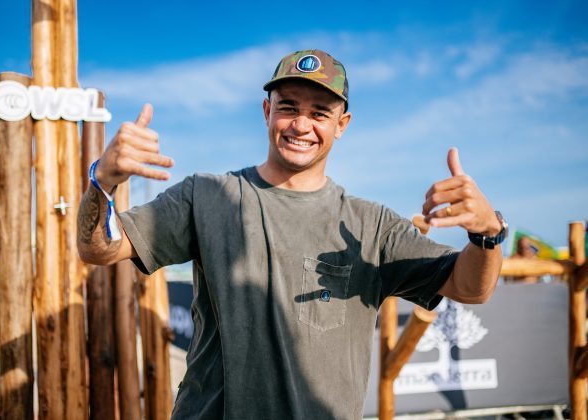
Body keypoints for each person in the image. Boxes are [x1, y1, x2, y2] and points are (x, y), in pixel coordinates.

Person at [78, 50, 506, 419]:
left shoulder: (371, 226)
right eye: (289, 107)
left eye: (320, 113)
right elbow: (98, 248)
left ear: (342, 124)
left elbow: (471, 288)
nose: (302, 124)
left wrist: (486, 235)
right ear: (267, 111)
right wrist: (104, 180)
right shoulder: (207, 195)